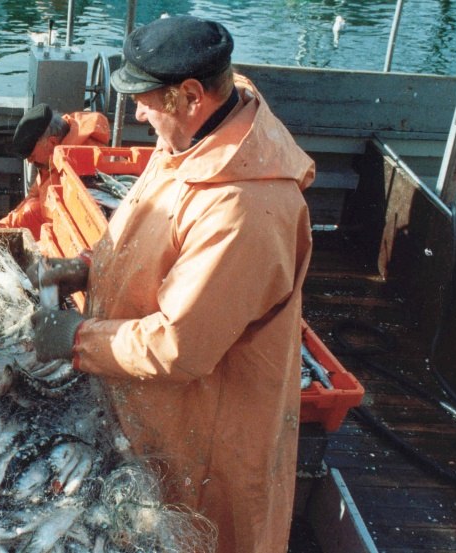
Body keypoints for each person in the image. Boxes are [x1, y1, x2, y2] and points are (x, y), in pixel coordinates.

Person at [29, 15, 314, 553]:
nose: (135, 113)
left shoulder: (244, 208)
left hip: (207, 433)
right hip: (149, 404)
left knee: (199, 534)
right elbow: (154, 231)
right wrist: (91, 265)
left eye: (144, 99)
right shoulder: (198, 129)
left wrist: (75, 338)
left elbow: (179, 346)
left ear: (189, 94)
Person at [0, 104, 110, 239]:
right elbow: (34, 195)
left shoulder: (85, 159)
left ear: (52, 142)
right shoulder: (51, 157)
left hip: (88, 234)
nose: (30, 162)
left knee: (31, 211)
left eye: (32, 156)